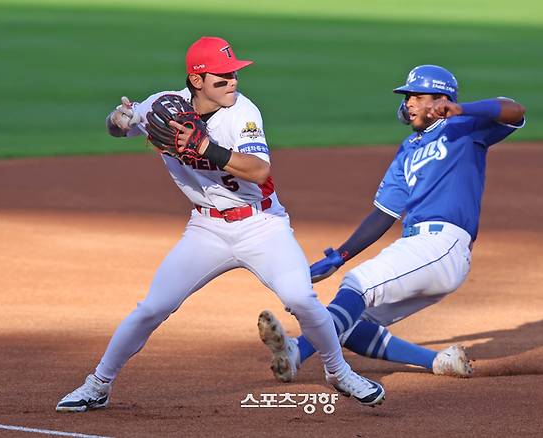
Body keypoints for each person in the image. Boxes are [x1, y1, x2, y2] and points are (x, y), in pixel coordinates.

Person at [56, 36, 384, 412]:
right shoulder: (164, 107)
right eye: (222, 78)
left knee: (301, 299)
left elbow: (260, 171)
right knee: (152, 308)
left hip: (262, 225)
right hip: (206, 230)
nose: (232, 83)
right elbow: (118, 128)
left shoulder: (243, 113)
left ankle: (339, 372)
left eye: (234, 75)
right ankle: (97, 384)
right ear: (197, 81)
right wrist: (118, 118)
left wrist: (206, 148)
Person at [257, 64, 526, 383]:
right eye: (407, 96)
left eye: (417, 95)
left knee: (358, 286)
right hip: (421, 248)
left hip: (442, 244)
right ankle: (439, 361)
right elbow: (384, 214)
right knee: (349, 326)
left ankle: (296, 353)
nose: (409, 102)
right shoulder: (407, 151)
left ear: (441, 98)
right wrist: (340, 257)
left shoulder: (467, 127)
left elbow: (514, 110)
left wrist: (461, 109)